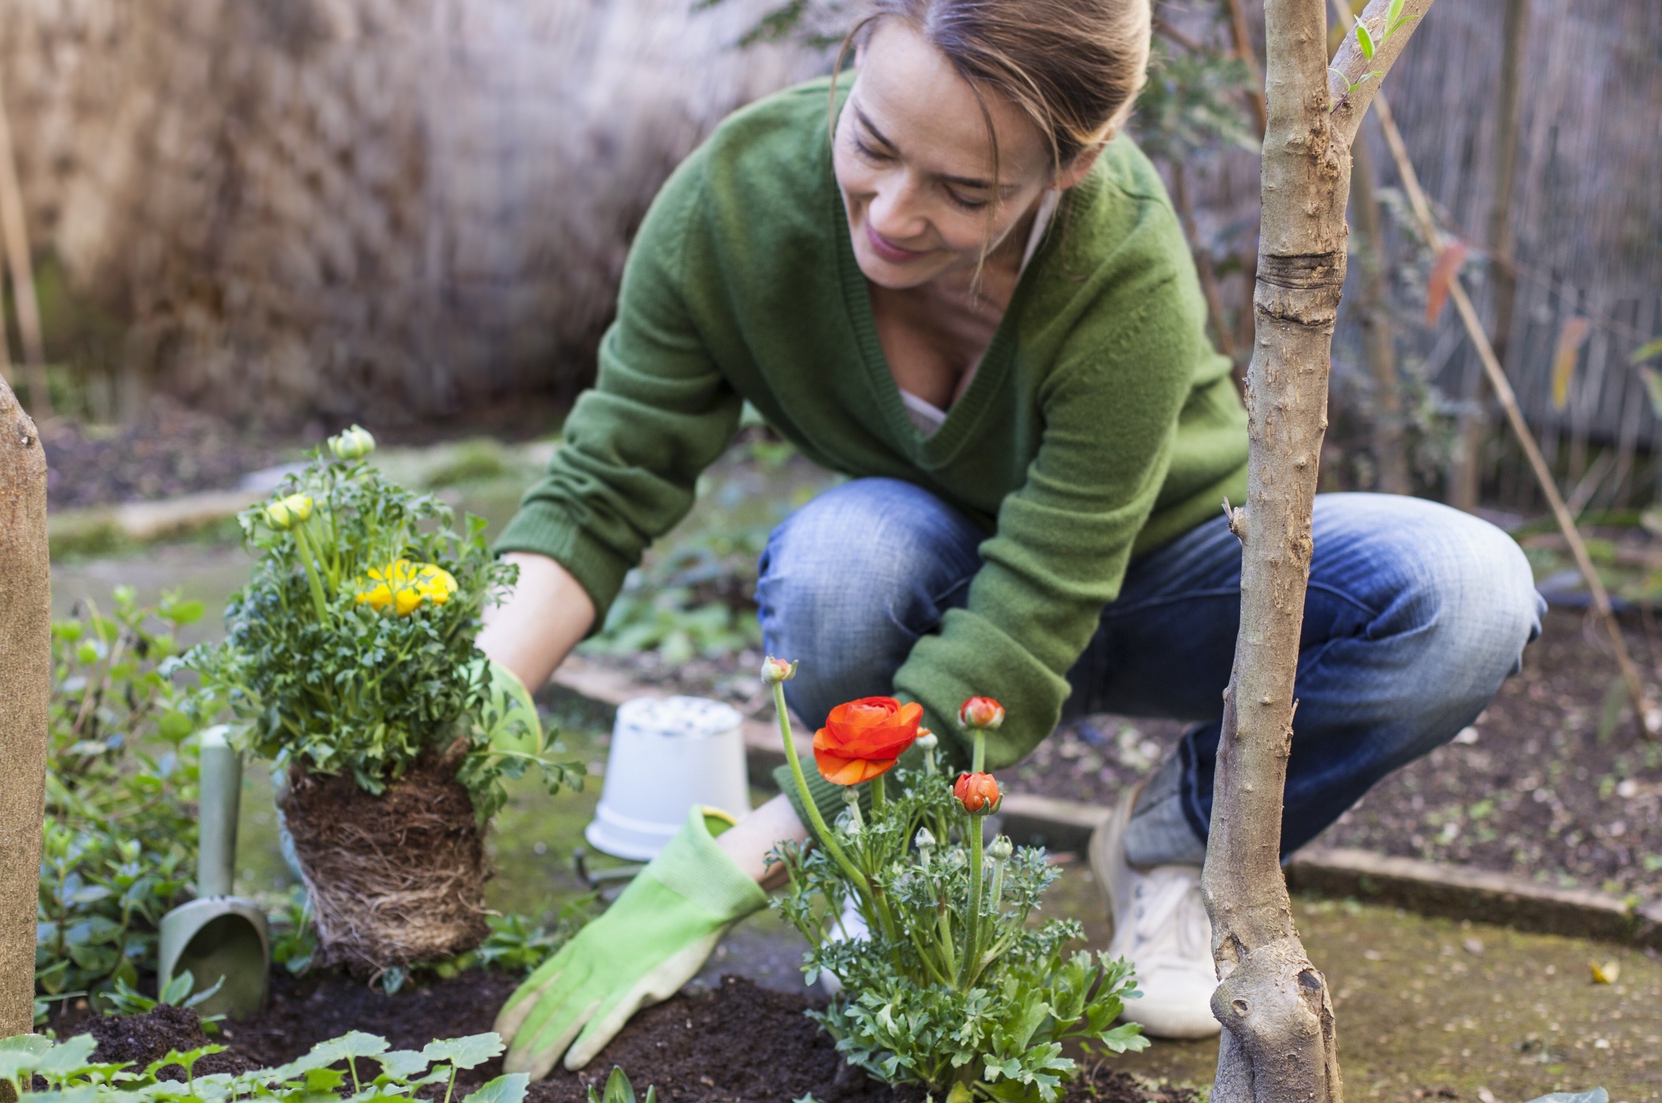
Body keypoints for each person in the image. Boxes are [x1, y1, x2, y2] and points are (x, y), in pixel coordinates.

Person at [476, 0, 1542, 1078]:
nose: (893, 211)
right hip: (937, 590)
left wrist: (727, 869)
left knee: (1469, 589)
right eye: (872, 144)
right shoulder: (737, 206)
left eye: (965, 191)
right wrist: (472, 696)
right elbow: (605, 482)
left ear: (1071, 167)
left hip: (1170, 577)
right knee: (842, 562)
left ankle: (1169, 842)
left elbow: (1027, 620)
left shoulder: (1115, 255)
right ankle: (899, 851)